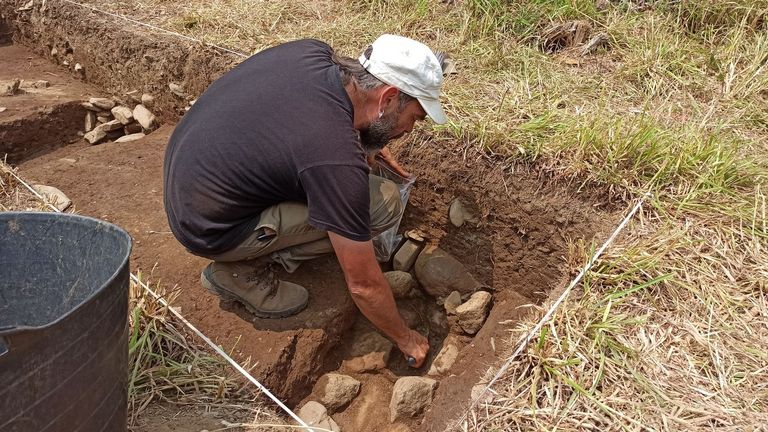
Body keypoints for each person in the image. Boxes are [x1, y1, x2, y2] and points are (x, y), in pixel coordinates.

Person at [163, 34, 449, 368]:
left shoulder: (311, 53)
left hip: (190, 175)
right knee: (381, 203)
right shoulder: (334, 158)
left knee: (346, 196)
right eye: (414, 117)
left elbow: (305, 123)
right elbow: (364, 285)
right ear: (387, 98)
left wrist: (367, 138)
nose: (410, 129)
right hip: (209, 227)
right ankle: (242, 272)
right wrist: (406, 338)